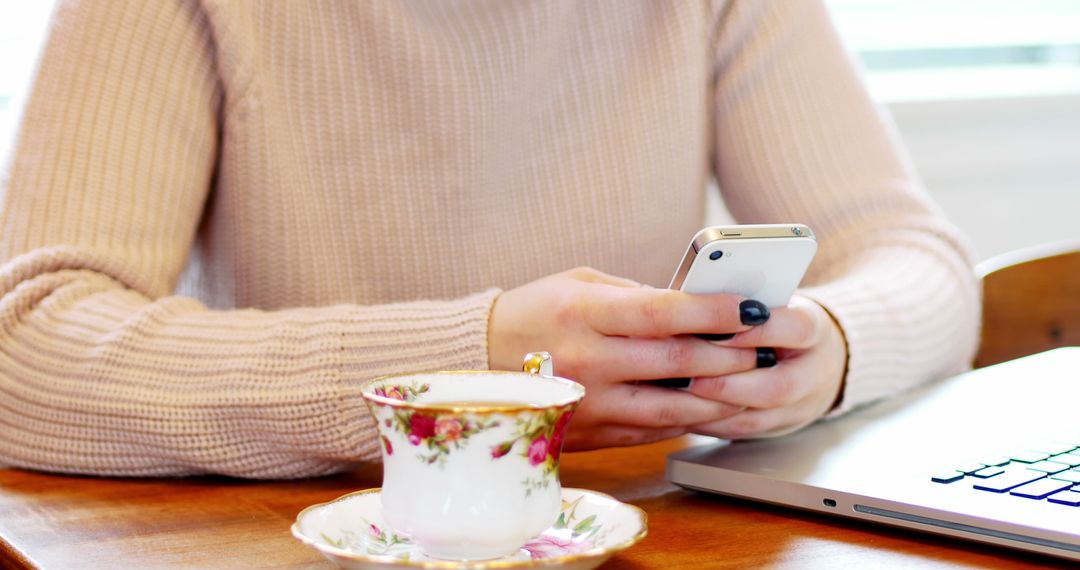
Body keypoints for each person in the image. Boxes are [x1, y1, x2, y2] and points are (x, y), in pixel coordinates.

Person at [0, 0, 978, 479]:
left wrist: (826, 349)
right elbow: (26, 346)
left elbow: (919, 261)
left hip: (621, 533)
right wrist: (466, 373)